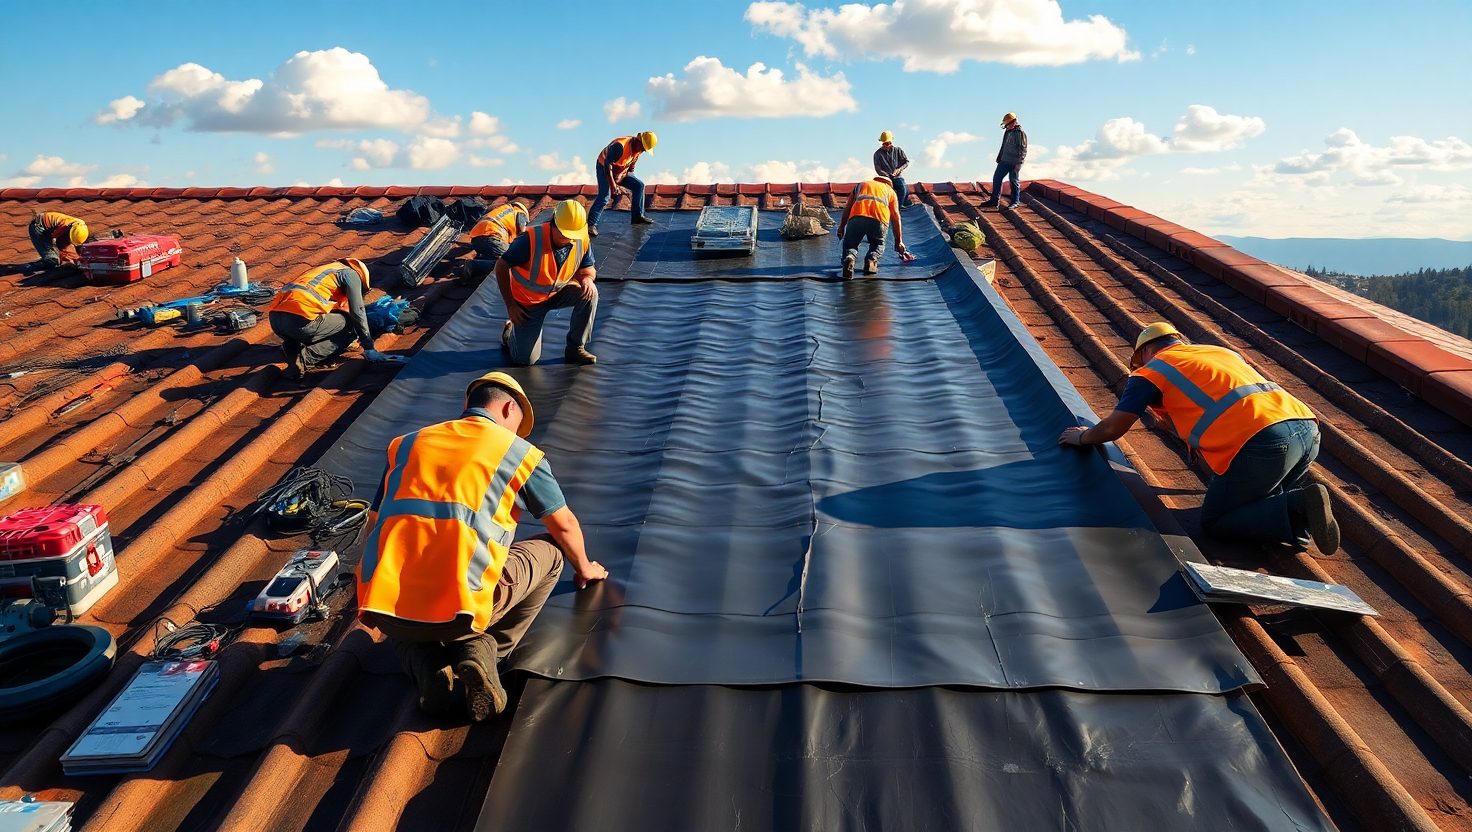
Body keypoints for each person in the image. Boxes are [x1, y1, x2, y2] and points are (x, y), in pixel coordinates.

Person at [357, 372, 608, 721]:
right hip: (466, 610)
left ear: (468, 406)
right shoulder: (518, 453)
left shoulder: (406, 444)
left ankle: (427, 666)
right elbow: (563, 524)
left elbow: (375, 523)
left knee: (404, 607)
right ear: (508, 409)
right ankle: (484, 650)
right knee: (552, 552)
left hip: (386, 608)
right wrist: (585, 567)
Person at [1059, 322, 1340, 554]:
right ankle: (1298, 517)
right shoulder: (1218, 352)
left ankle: (1300, 506)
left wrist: (1084, 438)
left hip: (1263, 441)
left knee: (1216, 521)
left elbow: (1113, 428)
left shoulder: (1152, 370)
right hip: (1307, 428)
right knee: (1259, 503)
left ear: (1145, 352)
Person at [494, 199, 599, 366]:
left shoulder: (581, 238)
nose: (570, 239)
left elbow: (588, 270)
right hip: (529, 303)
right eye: (565, 234)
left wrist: (587, 279)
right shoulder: (530, 240)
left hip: (559, 292)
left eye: (573, 235)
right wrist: (511, 305)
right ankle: (509, 334)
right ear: (554, 224)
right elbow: (501, 265)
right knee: (524, 360)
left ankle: (575, 348)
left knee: (590, 293)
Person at [266, 257, 403, 379]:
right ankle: (304, 359)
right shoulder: (351, 274)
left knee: (303, 331)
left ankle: (292, 355)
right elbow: (358, 311)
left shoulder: (325, 272)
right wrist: (369, 347)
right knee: (351, 325)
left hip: (276, 320)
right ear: (362, 277)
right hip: (299, 319)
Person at [836, 175, 910, 280]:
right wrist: (898, 241)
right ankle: (872, 259)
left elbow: (848, 208)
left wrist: (841, 226)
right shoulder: (890, 191)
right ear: (889, 184)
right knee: (877, 243)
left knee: (850, 244)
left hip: (857, 216)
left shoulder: (862, 185)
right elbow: (895, 216)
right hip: (879, 219)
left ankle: (850, 257)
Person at [587, 131, 657, 237]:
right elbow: (607, 165)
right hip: (604, 168)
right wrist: (614, 186)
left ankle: (637, 217)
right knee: (605, 196)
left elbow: (631, 169)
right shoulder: (620, 146)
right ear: (639, 141)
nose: (642, 151)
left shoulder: (637, 151)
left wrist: (623, 180)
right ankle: (591, 225)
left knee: (639, 185)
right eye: (643, 148)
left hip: (620, 170)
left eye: (644, 150)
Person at [983, 112, 1028, 210]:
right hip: (1004, 160)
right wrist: (1000, 157)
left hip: (1015, 162)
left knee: (1013, 180)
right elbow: (1004, 146)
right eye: (1006, 125)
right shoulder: (1007, 132)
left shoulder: (1020, 134)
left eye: (1008, 124)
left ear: (1014, 122)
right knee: (997, 178)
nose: (1006, 126)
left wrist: (1017, 163)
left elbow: (1022, 151)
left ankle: (1015, 202)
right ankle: (994, 201)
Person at [25, 210, 90, 272]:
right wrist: (65, 258)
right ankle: (26, 267)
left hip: (47, 225)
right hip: (38, 228)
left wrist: (78, 258)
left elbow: (73, 244)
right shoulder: (64, 226)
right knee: (52, 260)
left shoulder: (80, 227)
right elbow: (57, 242)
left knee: (60, 254)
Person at [873, 131, 912, 207]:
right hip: (885, 179)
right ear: (882, 143)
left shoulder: (898, 150)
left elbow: (906, 162)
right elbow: (878, 169)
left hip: (897, 177)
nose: (887, 145)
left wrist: (899, 169)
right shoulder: (877, 154)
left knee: (904, 189)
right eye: (885, 144)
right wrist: (886, 175)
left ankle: (899, 207)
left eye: (889, 143)